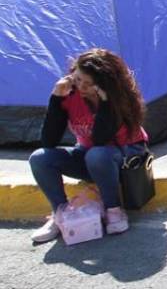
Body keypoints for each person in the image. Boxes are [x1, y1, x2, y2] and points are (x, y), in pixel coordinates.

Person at [27, 49, 150, 243]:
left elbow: (100, 139)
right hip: (90, 154)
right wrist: (56, 99)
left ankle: (113, 210)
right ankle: (62, 215)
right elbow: (49, 141)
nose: (81, 87)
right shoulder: (69, 93)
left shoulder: (119, 97)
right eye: (77, 79)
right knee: (40, 158)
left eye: (88, 83)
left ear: (103, 83)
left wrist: (105, 102)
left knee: (98, 154)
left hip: (126, 154)